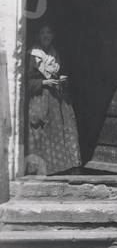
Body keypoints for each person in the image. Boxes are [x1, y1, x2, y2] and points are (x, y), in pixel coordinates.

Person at [26, 23, 81, 175]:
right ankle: (40, 169)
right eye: (42, 32)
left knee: (59, 129)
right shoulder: (33, 55)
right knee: (41, 129)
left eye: (48, 33)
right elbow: (25, 82)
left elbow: (57, 74)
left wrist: (61, 78)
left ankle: (58, 168)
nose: (46, 36)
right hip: (40, 99)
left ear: (52, 36)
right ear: (38, 35)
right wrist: (44, 82)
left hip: (56, 99)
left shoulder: (54, 53)